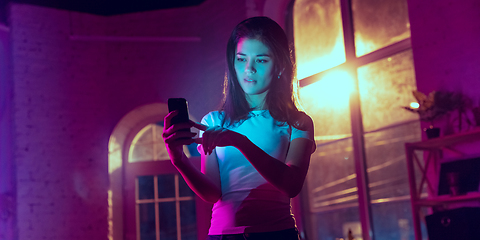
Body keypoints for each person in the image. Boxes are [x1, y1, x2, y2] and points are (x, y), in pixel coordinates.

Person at [163, 16, 315, 240]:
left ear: (280, 66)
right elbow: (213, 193)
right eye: (241, 59)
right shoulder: (214, 121)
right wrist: (179, 161)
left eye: (261, 60)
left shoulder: (298, 122)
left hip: (276, 234)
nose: (249, 69)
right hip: (222, 235)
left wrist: (239, 141)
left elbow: (291, 184)